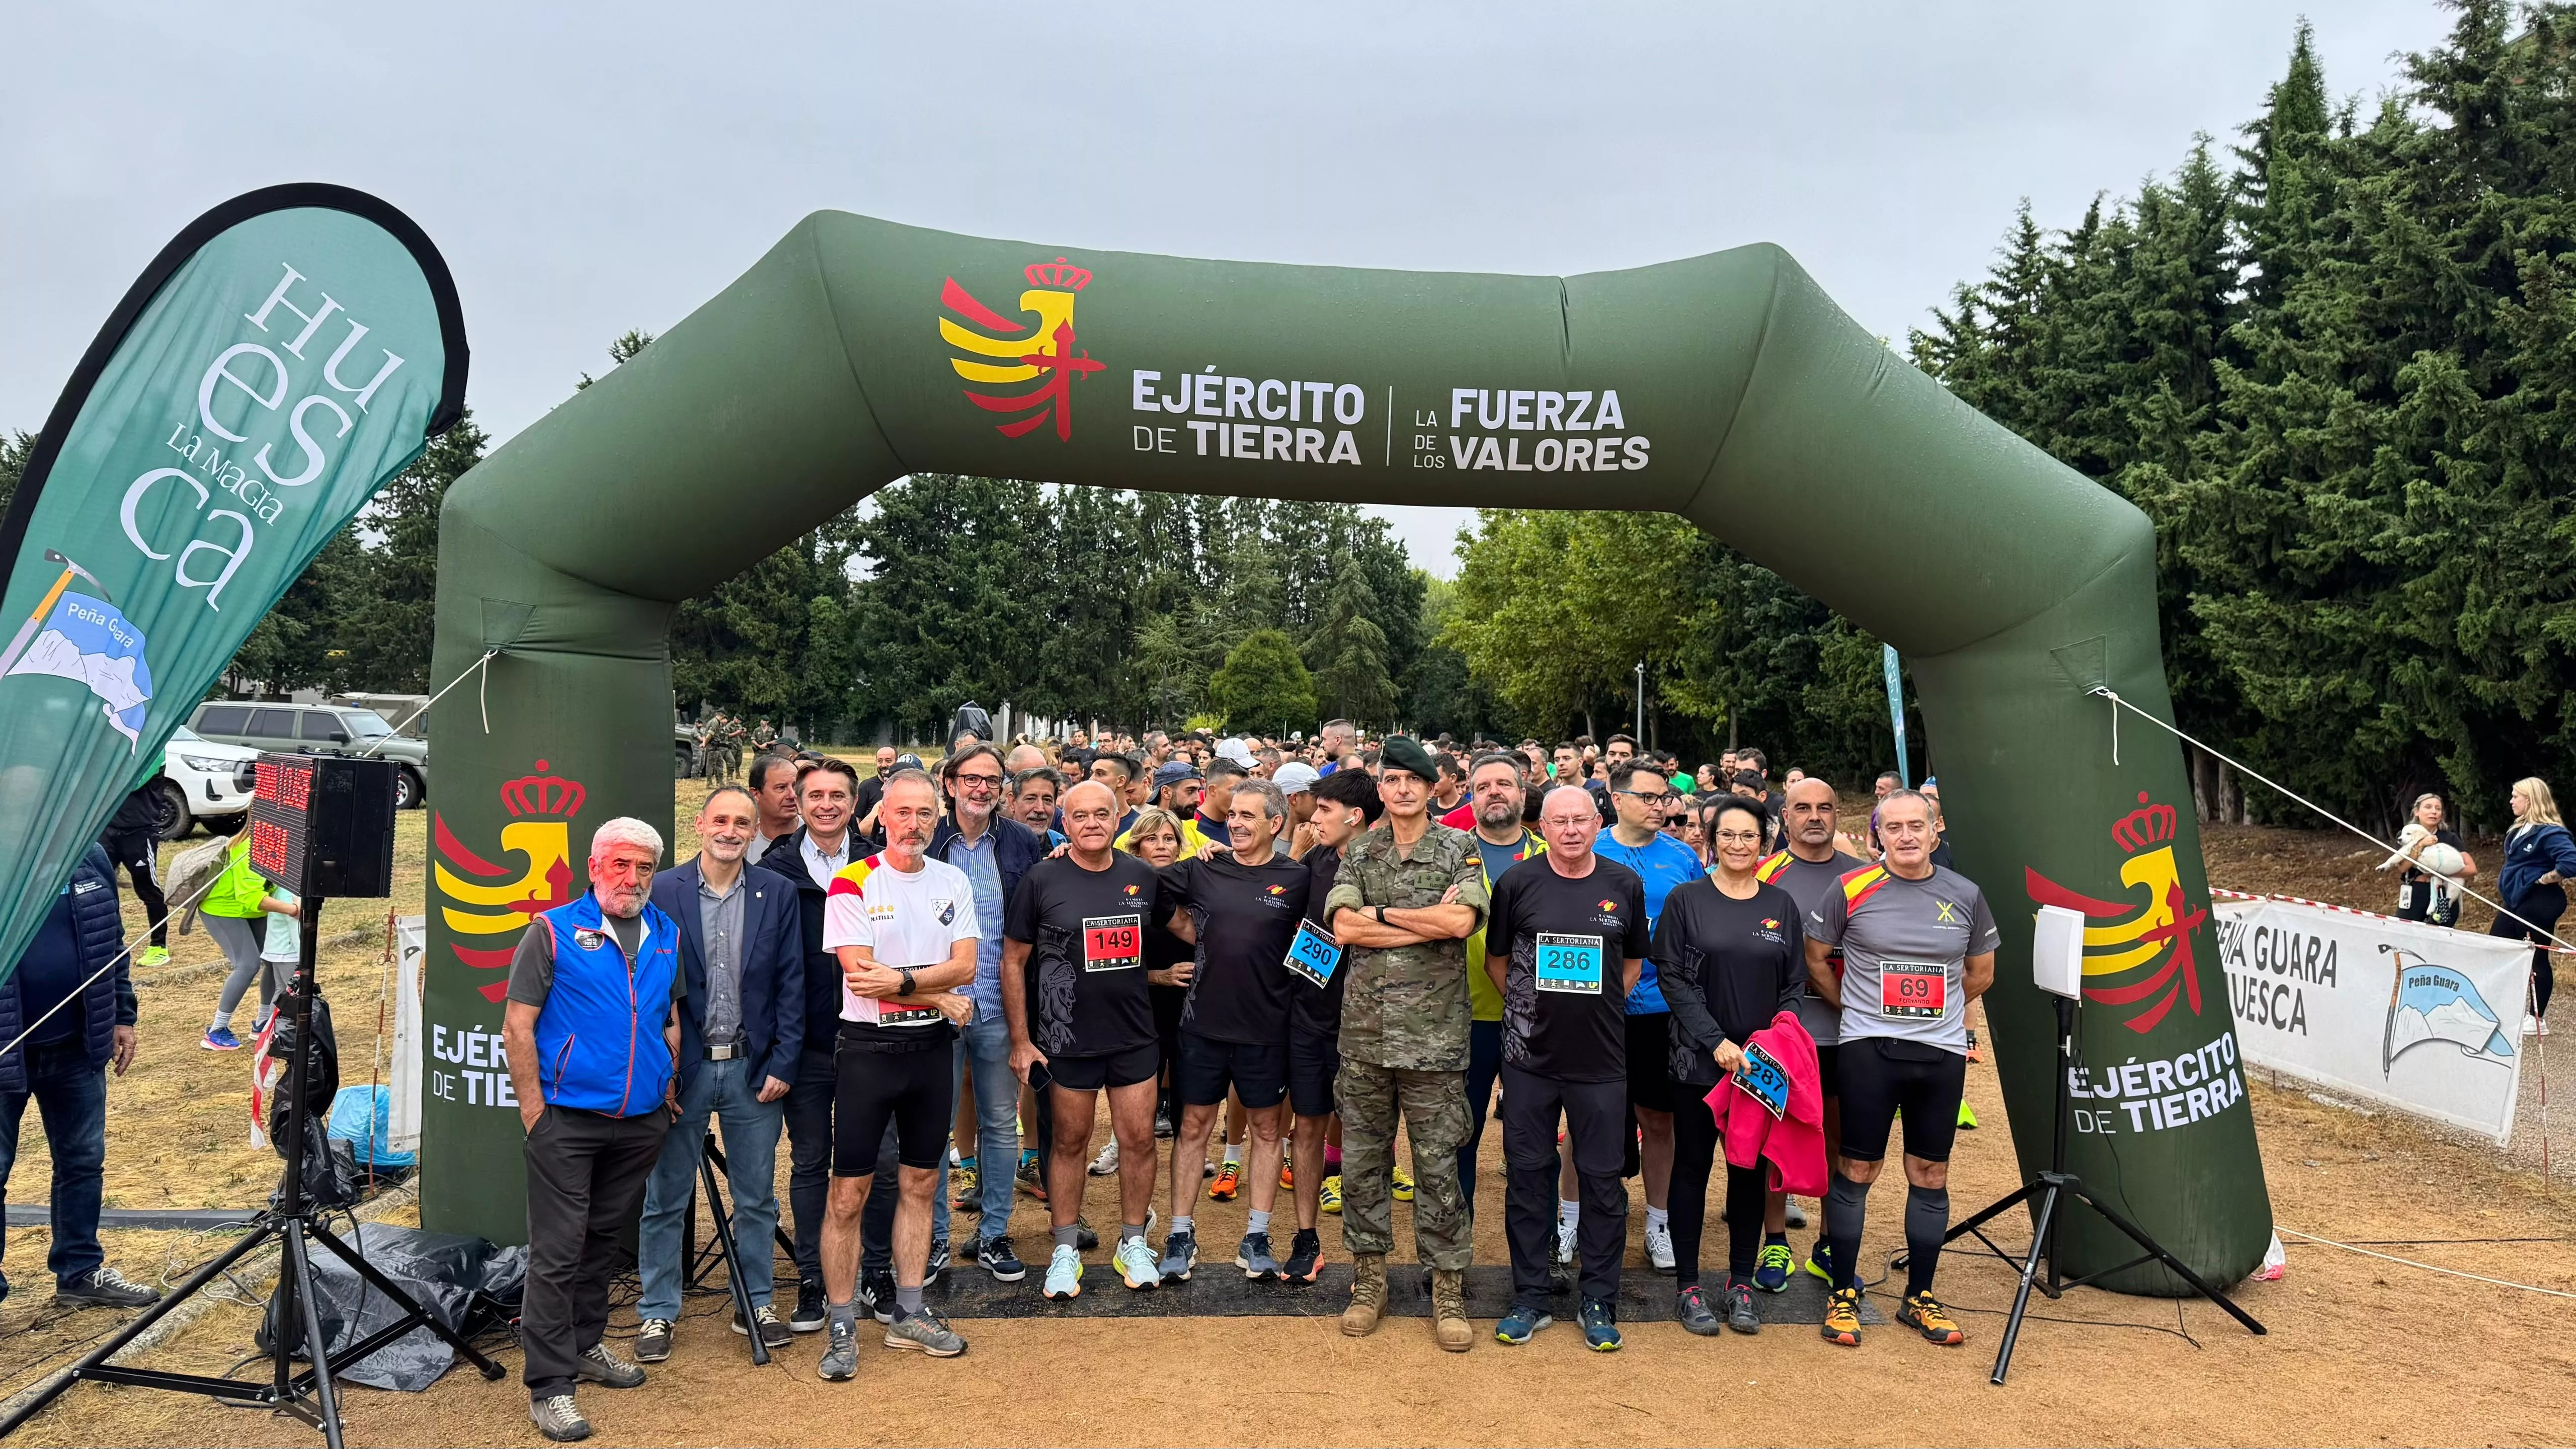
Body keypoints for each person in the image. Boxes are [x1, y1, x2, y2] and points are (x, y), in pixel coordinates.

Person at [503, 818, 683, 1442]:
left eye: (643, 869)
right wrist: (535, 1113)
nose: (631, 880)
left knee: (603, 1243)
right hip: (567, 1120)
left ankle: (585, 1345)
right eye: (620, 865)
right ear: (594, 865)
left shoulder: (666, 933)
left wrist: (667, 1081)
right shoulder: (551, 930)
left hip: (639, 1123)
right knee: (557, 1253)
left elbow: (667, 1018)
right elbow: (517, 1027)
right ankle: (550, 1386)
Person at [1803, 788, 1998, 1349]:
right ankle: (1843, 1293)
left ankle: (1919, 1297)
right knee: (1857, 1171)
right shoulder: (1849, 888)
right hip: (1868, 1051)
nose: (1906, 835)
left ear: (1935, 831)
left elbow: (1980, 973)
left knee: (1929, 1174)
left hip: (1938, 1055)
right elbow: (1815, 958)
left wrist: (1931, 1013)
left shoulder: (1964, 894)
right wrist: (1857, 1008)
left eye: (1917, 825)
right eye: (1894, 827)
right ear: (1877, 836)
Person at [816, 772, 979, 1379]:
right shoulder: (852, 880)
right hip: (867, 1051)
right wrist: (937, 997)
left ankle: (909, 1313)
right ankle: (840, 1322)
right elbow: (862, 978)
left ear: (938, 818)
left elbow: (965, 964)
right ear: (881, 816)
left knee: (919, 1185)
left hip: (930, 1055)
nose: (914, 824)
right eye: (903, 813)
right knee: (848, 1194)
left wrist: (907, 983)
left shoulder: (951, 879)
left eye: (925, 814)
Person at [1324, 735, 1485, 1351]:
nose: (1401, 789)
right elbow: (1341, 927)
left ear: (1431, 787)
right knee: (1364, 1168)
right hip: (1364, 1039)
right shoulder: (1359, 850)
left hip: (1435, 1042)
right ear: (1381, 789)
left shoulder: (1457, 848)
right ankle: (1369, 1283)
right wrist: (1414, 919)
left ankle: (1447, 1289)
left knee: (1439, 1167)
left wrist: (1381, 916)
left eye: (1412, 780)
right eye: (1390, 780)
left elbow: (1460, 922)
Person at [633, 787, 805, 1360]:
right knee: (665, 1198)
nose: (731, 831)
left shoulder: (776, 892)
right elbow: (638, 987)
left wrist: (784, 1061)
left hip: (754, 1073)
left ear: (755, 830)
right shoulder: (661, 890)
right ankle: (657, 1312)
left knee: (756, 1197)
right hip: (681, 1073)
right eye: (721, 820)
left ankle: (754, 1299)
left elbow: (791, 982)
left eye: (743, 823)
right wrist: (657, 1066)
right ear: (700, 823)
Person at [1485, 786, 1650, 1351]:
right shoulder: (1517, 883)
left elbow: (1631, 962)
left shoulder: (1622, 884)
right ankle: (1529, 1295)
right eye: (1560, 821)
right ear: (1544, 826)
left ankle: (1598, 1297)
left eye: (1581, 819)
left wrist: (1597, 1005)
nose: (1571, 830)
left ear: (1598, 822)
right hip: (1529, 1060)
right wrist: (1530, 1014)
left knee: (1603, 1182)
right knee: (1528, 1179)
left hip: (1601, 1060)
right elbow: (1496, 962)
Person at [1005, 781, 1169, 1299]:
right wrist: (1020, 1040)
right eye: (1080, 816)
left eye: (1102, 813)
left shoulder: (1143, 875)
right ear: (1065, 821)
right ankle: (1064, 1247)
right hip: (1065, 1038)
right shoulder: (1042, 877)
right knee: (1070, 1142)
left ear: (1120, 817)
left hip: (1133, 1035)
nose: (1092, 823)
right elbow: (1013, 960)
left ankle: (1133, 1242)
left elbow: (1179, 927)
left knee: (1139, 1140)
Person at [1657, 798, 1807, 1336]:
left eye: (1749, 836)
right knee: (1691, 1171)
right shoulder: (1685, 900)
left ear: (1764, 843)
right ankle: (1689, 1287)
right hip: (1697, 1060)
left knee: (1748, 1171)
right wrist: (1715, 1040)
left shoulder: (1781, 905)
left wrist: (1772, 1041)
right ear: (1711, 840)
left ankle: (1741, 1283)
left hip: (1758, 1068)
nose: (1739, 845)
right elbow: (1671, 978)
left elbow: (1794, 985)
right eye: (1728, 835)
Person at [1153, 778, 1308, 1281]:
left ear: (1275, 824)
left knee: (1266, 1130)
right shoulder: (1205, 866)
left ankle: (1257, 1236)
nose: (1236, 824)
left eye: (1248, 816)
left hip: (1267, 1027)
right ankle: (1180, 1233)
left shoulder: (1296, 877)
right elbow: (1145, 888)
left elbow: (1322, 942)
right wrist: (1183, 927)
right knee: (1193, 1126)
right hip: (1202, 1024)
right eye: (1233, 815)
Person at [0, 843, 153, 1311]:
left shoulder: (88, 856)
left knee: (83, 1162)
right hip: (6, 1050)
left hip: (75, 1047)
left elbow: (111, 944)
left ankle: (80, 1272)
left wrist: (122, 1016)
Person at [926, 744, 1049, 1284]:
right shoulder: (925, 838)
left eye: (991, 781)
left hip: (1001, 1006)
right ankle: (930, 1240)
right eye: (971, 779)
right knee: (930, 1127)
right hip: (933, 1006)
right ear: (950, 784)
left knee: (1002, 1123)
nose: (981, 789)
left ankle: (995, 1232)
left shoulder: (1024, 841)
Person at [750, 757, 863, 1334]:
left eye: (837, 795)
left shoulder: (878, 864)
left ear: (852, 803)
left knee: (879, 1163)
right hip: (807, 1046)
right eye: (814, 794)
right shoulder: (773, 870)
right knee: (811, 1163)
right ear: (798, 799)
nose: (826, 804)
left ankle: (878, 1271)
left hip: (871, 1041)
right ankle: (813, 1280)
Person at [1591, 760, 1703, 1274]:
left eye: (1666, 799)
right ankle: (1575, 1220)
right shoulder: (1588, 850)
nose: (1663, 807)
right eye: (1651, 798)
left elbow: (1699, 931)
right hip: (1598, 1009)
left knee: (1659, 1120)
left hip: (1662, 1011)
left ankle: (1658, 1224)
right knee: (1590, 1121)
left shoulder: (1682, 857)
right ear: (1618, 799)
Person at [1751, 777, 1862, 1284]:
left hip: (1846, 1035)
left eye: (1824, 807)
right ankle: (1774, 1244)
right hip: (1784, 1033)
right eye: (1802, 808)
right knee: (1776, 1139)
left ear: (1837, 814)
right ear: (1785, 818)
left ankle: (1826, 1243)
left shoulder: (1864, 877)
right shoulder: (1762, 875)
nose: (1814, 816)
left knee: (1839, 1140)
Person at [1456, 753, 1542, 1220]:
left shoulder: (1551, 857)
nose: (1494, 792)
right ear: (1471, 797)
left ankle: (1541, 1251)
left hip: (1536, 1021)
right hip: (1461, 1018)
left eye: (1504, 784)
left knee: (1532, 1140)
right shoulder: (1446, 852)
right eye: (1484, 785)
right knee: (1459, 1137)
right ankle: (1452, 1254)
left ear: (1522, 795)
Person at [2493, 777, 2576, 1034]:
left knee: (2536, 955)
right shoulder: (2519, 829)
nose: (2511, 801)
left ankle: (2536, 1019)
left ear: (2529, 800)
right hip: (2515, 900)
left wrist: (2545, 878)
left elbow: (2571, 862)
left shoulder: (2550, 832)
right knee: (2498, 945)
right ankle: (2503, 1010)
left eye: (2515, 796)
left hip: (2539, 902)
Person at [199, 836, 296, 1050]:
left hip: (253, 909)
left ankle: (263, 1023)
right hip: (222, 908)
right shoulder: (247, 847)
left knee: (271, 958)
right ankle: (217, 1030)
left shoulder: (279, 841)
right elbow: (249, 895)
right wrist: (293, 910)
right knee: (248, 964)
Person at [100, 769, 172, 967]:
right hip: (107, 827)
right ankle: (112, 946)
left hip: (141, 830)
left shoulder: (155, 748)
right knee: (101, 889)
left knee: (148, 889)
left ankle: (158, 947)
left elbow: (131, 780)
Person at [2383, 792, 2476, 927]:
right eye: (2428, 807)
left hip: (2443, 894)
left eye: (2438, 809)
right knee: (2406, 934)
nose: (2434, 812)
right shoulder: (2405, 834)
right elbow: (2403, 867)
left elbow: (2472, 869)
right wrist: (2421, 845)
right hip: (2415, 893)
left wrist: (2439, 871)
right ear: (2417, 812)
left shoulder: (2449, 838)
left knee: (2440, 937)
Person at [744, 754, 804, 866]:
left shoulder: (815, 835)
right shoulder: (743, 840)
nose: (792, 795)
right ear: (756, 795)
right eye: (781, 788)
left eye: (796, 787)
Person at [852, 747, 898, 851]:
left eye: (888, 761)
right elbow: (857, 821)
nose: (884, 765)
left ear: (897, 761)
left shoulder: (903, 787)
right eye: (880, 761)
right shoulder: (866, 787)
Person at [1009, 766, 1066, 845]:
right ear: (1012, 802)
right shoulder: (994, 847)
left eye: (1047, 800)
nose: (1040, 809)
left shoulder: (1062, 844)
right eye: (1031, 799)